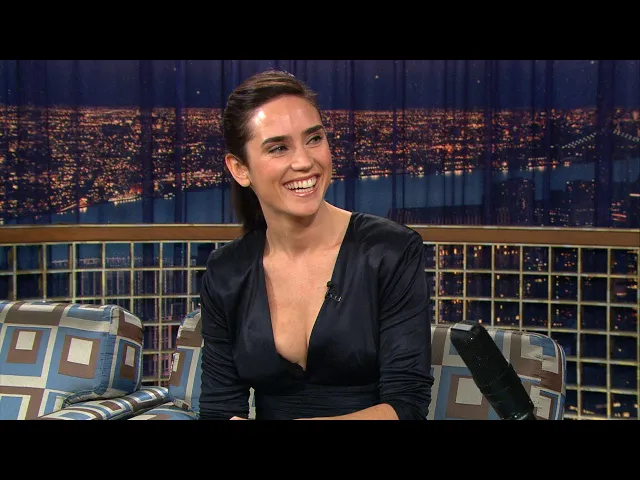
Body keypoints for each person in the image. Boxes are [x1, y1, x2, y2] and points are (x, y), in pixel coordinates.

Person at [199, 69, 433, 420]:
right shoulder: (226, 272)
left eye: (314, 139)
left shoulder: (390, 251)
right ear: (240, 169)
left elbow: (408, 405)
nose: (305, 162)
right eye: (279, 148)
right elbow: (219, 409)